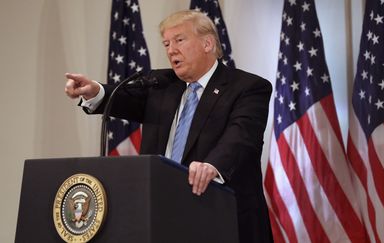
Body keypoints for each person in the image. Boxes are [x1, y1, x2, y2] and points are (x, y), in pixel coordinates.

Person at [65, 10, 273, 243]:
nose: (171, 49)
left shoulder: (248, 87)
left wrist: (213, 165)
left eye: (179, 40)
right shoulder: (162, 85)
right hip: (164, 217)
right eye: (166, 43)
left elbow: (242, 136)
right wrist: (95, 91)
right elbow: (121, 98)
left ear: (207, 43)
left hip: (222, 216)